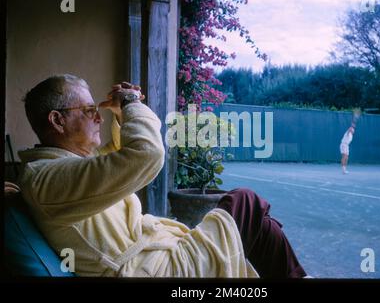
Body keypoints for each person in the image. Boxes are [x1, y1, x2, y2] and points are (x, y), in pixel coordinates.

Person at [17, 74, 307, 278]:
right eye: (89, 110)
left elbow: (114, 159)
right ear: (57, 120)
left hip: (156, 259)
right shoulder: (47, 181)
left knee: (261, 226)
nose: (98, 117)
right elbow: (144, 155)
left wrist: (123, 112)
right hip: (152, 271)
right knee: (245, 201)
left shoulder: (63, 167)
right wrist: (131, 102)